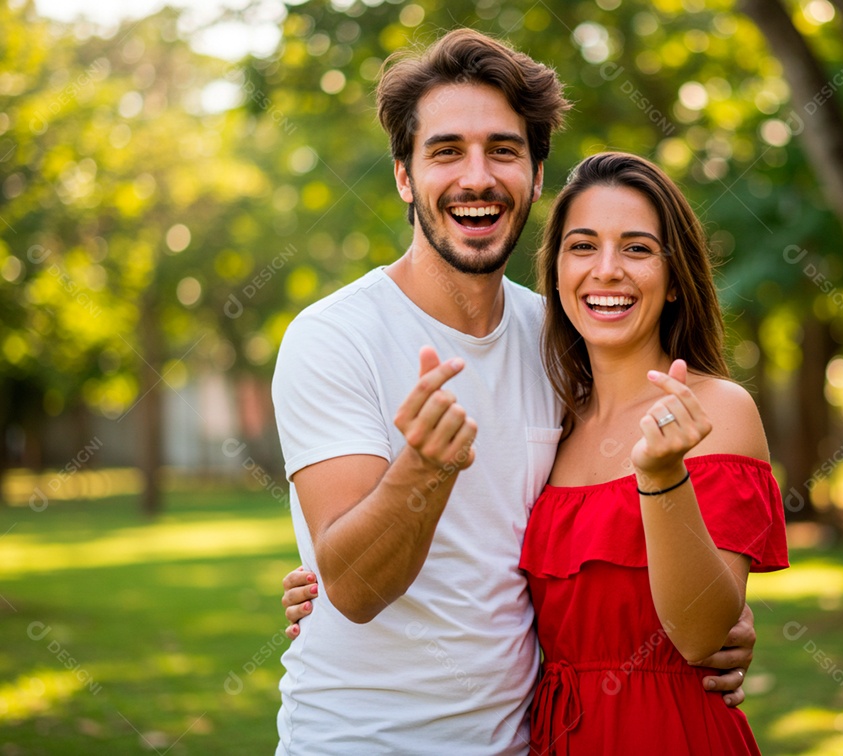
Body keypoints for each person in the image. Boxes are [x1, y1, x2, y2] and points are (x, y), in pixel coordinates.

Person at [272, 29, 755, 754]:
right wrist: (424, 472)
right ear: (404, 176)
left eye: (503, 150)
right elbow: (356, 588)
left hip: (526, 740)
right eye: (445, 152)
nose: (477, 177)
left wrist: (714, 622)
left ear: (534, 178)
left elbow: (603, 525)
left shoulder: (562, 341)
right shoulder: (334, 337)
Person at [520, 151, 788, 754]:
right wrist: (321, 581)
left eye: (637, 249)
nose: (607, 270)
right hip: (556, 736)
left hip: (671, 733)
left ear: (673, 280)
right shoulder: (550, 420)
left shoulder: (717, 410)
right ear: (556, 271)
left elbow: (700, 634)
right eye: (582, 246)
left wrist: (663, 476)